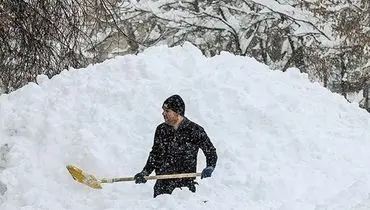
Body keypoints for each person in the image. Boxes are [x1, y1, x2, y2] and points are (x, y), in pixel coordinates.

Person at [134, 94, 218, 198]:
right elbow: (155, 154)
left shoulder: (195, 130)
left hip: (184, 189)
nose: (163, 113)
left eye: (167, 111)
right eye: (163, 110)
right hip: (162, 187)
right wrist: (145, 172)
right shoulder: (161, 130)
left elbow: (210, 151)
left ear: (178, 112)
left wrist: (210, 166)